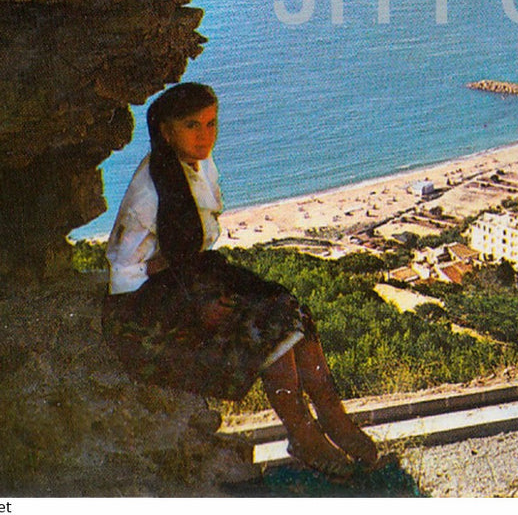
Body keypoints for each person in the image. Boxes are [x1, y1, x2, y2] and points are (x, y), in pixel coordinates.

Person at [102, 82, 385, 480]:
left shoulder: (198, 164)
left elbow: (195, 245)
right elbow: (125, 273)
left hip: (188, 276)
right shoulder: (150, 191)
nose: (205, 136)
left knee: (291, 307)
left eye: (211, 124)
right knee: (267, 327)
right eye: (192, 126)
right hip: (145, 308)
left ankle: (334, 417)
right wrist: (188, 294)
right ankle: (302, 432)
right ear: (166, 132)